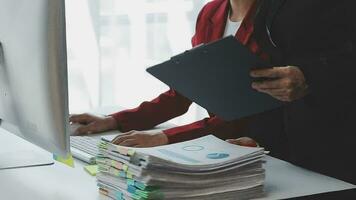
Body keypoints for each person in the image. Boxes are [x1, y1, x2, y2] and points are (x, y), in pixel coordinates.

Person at [71, 0, 356, 184]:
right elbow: (185, 91)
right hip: (228, 145)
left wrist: (165, 136)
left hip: (268, 149)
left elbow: (248, 107)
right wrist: (116, 120)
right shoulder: (211, 12)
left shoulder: (278, 17)